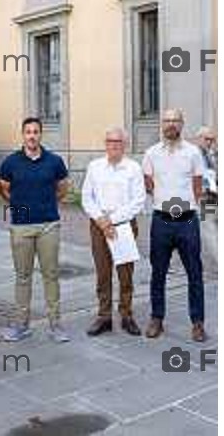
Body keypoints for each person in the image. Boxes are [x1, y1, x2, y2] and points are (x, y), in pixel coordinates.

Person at [0, 118, 71, 343]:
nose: (32, 136)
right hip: (21, 226)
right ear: (23, 135)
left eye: (35, 132)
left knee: (51, 275)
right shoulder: (11, 162)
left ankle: (55, 324)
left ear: (41, 135)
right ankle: (21, 325)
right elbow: (4, 188)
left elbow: (62, 188)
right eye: (28, 132)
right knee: (22, 277)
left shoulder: (55, 161)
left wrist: (46, 204)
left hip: (48, 225)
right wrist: (20, 205)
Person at [142, 109, 207, 342]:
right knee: (158, 272)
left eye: (175, 121)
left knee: (195, 273)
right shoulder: (151, 153)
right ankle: (156, 318)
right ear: (162, 124)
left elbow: (198, 185)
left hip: (187, 221)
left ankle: (198, 322)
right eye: (167, 121)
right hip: (161, 221)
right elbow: (148, 183)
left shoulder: (193, 153)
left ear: (182, 123)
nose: (171, 125)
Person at [81, 128, 146, 337]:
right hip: (99, 226)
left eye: (118, 141)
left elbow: (138, 200)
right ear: (105, 143)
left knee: (125, 274)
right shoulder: (95, 166)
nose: (114, 145)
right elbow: (86, 197)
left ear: (125, 144)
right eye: (110, 141)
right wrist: (101, 219)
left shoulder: (133, 168)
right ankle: (104, 316)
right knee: (103, 273)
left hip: (124, 226)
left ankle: (126, 315)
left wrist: (112, 220)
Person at [197, 126, 218, 203]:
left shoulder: (210, 155)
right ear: (199, 139)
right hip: (201, 195)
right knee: (204, 214)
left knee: (210, 215)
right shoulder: (193, 155)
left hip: (211, 195)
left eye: (211, 140)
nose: (209, 142)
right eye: (206, 139)